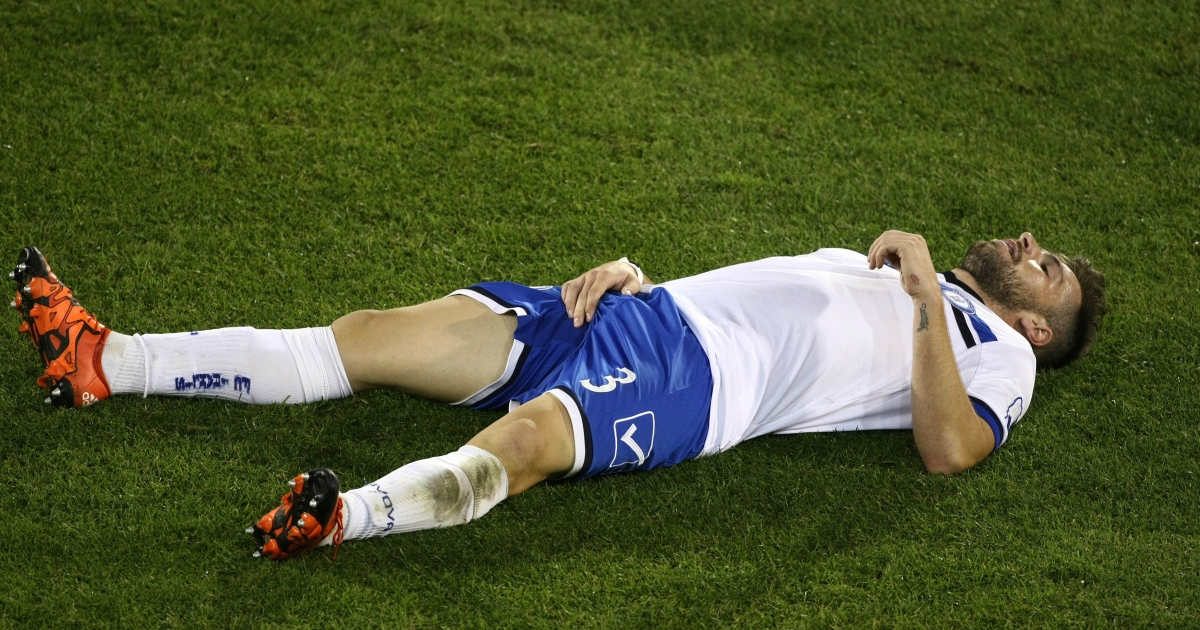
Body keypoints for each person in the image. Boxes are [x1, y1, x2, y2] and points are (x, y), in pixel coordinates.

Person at [8, 230, 1107, 560]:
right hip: (628, 312)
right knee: (373, 337)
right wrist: (634, 275)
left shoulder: (996, 357)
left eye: (1045, 265)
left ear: (1038, 329)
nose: (1027, 244)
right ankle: (107, 361)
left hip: (699, 384)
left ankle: (344, 518)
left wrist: (923, 294)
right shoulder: (903, 274)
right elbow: (756, 293)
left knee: (529, 439)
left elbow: (950, 449)